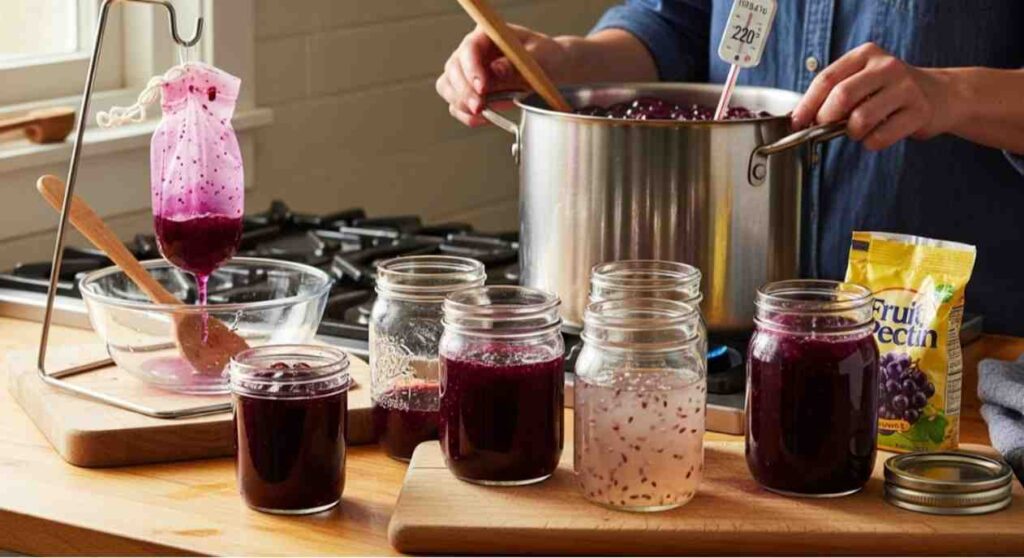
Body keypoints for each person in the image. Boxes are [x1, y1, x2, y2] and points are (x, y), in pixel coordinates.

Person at [436, 1, 1024, 335]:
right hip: (732, 333)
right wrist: (567, 60)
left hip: (954, 356)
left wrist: (953, 94)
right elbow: (677, 22)